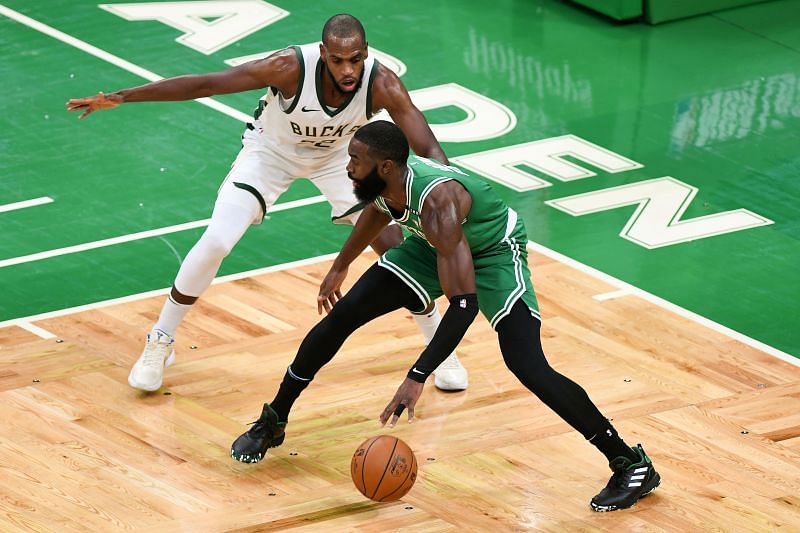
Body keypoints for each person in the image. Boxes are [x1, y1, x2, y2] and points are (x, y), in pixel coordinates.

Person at [230, 120, 661, 512]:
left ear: (384, 166)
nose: (347, 168)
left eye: (354, 161)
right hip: (431, 246)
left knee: (527, 364)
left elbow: (463, 305)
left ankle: (629, 463)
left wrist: (417, 376)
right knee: (345, 314)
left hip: (492, 252)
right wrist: (342, 264)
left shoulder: (438, 202)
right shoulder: (388, 179)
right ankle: (274, 420)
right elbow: (379, 210)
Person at [66, 14, 468, 393]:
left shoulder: (383, 84)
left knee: (395, 246)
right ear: (323, 53)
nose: (348, 70)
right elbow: (207, 84)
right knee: (218, 240)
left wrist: (450, 194)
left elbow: (427, 144)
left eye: (356, 59)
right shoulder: (288, 68)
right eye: (338, 60)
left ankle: (439, 346)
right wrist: (123, 96)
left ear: (367, 52)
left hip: (342, 158)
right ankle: (161, 339)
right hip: (270, 152)